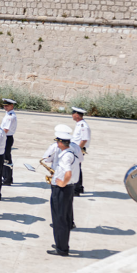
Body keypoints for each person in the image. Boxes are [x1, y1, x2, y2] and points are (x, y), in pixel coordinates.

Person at [48, 126, 79, 256]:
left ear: (61, 142)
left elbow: (68, 173)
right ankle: (61, 243)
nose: (56, 143)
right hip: (66, 189)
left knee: (59, 218)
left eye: (57, 141)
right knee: (62, 218)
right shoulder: (70, 153)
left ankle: (62, 248)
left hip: (62, 190)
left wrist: (62, 183)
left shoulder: (66, 156)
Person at [70, 107, 90, 196]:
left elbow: (84, 139)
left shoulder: (83, 126)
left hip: (78, 149)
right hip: (76, 148)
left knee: (76, 169)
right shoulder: (79, 124)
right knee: (76, 168)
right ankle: (79, 188)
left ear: (77, 115)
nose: (72, 115)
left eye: (73, 113)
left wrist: (78, 150)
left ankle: (76, 190)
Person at [1, 99, 17, 185]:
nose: (5, 107)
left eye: (7, 105)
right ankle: (7, 177)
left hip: (6, 138)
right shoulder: (8, 114)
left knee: (6, 159)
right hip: (6, 137)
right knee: (5, 158)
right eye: (4, 105)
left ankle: (7, 179)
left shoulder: (10, 116)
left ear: (12, 106)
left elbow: (5, 129)